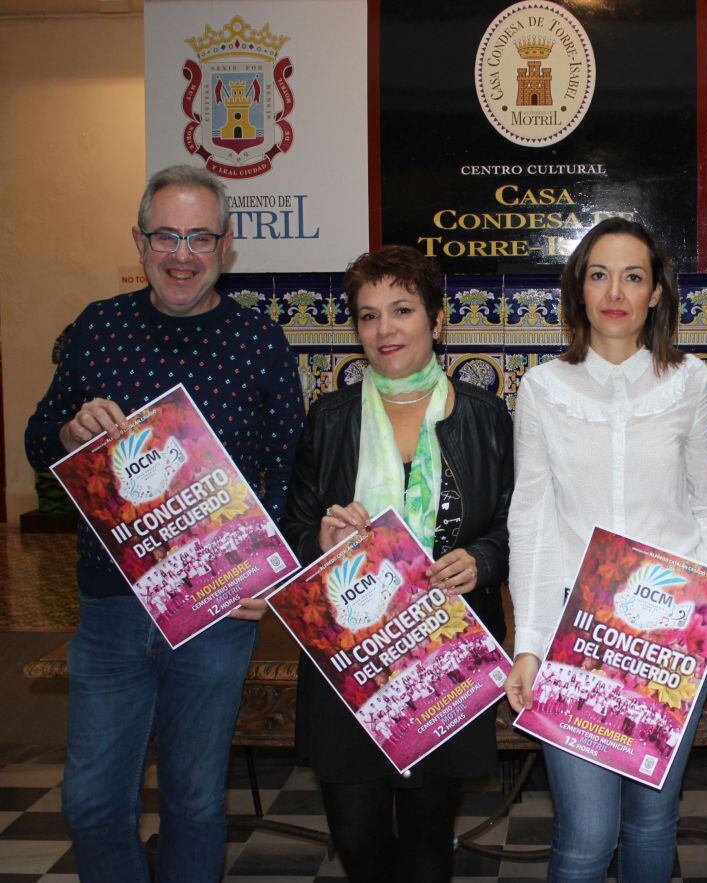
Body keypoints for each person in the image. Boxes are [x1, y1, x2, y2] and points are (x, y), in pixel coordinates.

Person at [24, 164, 304, 883]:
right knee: (90, 802)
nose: (183, 253)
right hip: (111, 609)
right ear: (141, 239)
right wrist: (66, 431)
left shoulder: (258, 340)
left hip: (215, 610)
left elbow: (291, 468)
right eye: (167, 235)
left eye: (200, 237)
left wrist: (266, 569)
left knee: (193, 799)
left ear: (227, 244)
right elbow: (38, 433)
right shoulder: (97, 327)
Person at [503, 217, 707, 882]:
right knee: (586, 833)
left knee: (650, 821)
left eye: (633, 275)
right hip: (574, 630)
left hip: (670, 632)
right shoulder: (542, 388)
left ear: (657, 294)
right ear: (578, 289)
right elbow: (528, 516)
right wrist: (527, 642)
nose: (616, 290)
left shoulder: (690, 380)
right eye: (599, 273)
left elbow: (706, 501)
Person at [280, 245, 513, 882]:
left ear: (436, 320)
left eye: (402, 310)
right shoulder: (329, 419)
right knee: (357, 842)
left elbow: (516, 525)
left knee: (428, 847)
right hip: (349, 656)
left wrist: (483, 559)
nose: (385, 330)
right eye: (368, 315)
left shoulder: (485, 415)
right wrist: (319, 537)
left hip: (443, 651)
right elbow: (293, 529)